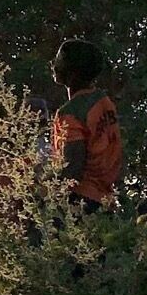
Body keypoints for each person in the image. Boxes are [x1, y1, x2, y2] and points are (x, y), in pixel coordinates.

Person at [49, 38, 123, 212]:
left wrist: (49, 197)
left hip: (80, 200)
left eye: (59, 61)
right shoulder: (105, 102)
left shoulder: (71, 112)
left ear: (72, 72)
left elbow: (73, 166)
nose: (54, 65)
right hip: (105, 200)